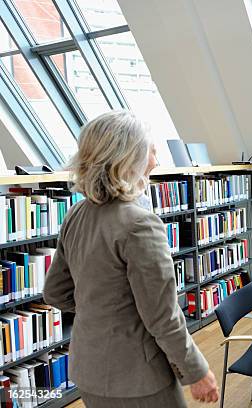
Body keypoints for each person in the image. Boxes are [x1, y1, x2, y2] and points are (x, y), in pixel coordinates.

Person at [43, 111, 219, 407]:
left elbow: (55, 292)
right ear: (131, 157)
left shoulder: (76, 213)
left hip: (89, 368)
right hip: (137, 377)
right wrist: (197, 372)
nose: (156, 160)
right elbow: (162, 316)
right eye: (152, 150)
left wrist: (105, 310)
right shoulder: (140, 224)